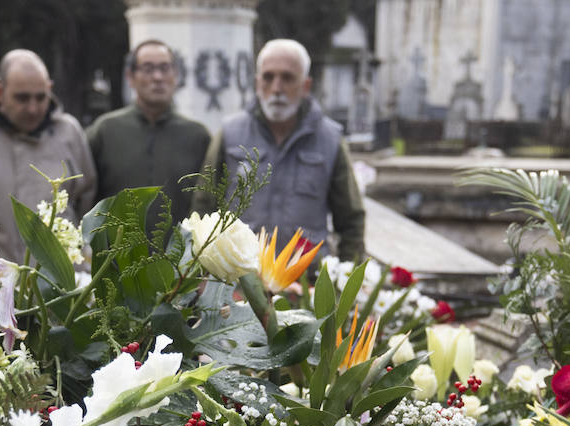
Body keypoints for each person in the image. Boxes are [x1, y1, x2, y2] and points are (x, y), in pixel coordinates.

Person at [194, 38, 365, 262]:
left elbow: (350, 220)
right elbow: (203, 205)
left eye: (287, 78)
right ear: (257, 83)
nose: (276, 88)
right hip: (238, 281)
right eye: (268, 77)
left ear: (305, 86)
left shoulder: (330, 140)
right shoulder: (230, 134)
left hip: (304, 282)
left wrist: (347, 279)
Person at [0, 49, 97, 261]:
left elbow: (85, 198)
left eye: (41, 97)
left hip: (60, 281)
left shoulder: (69, 132)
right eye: (22, 98)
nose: (33, 108)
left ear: (49, 89)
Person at [85, 39, 210, 230]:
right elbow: (84, 195)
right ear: (130, 76)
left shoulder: (198, 137)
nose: (157, 77)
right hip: (115, 256)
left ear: (175, 74)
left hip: (181, 256)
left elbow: (210, 203)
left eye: (165, 68)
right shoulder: (105, 131)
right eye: (148, 69)